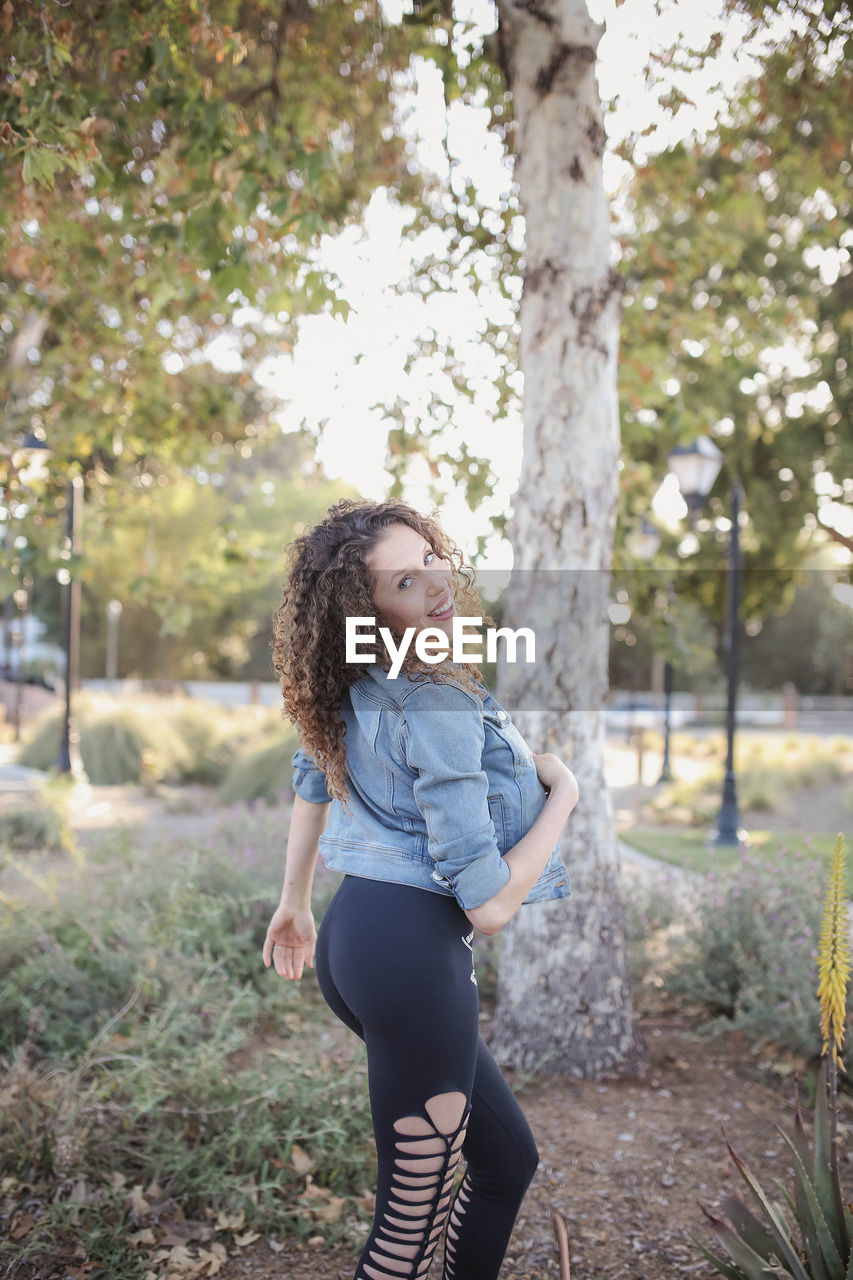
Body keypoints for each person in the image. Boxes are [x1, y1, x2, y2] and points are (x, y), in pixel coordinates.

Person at [263, 498, 579, 1280]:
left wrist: (295, 903)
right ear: (365, 609)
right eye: (405, 581)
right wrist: (564, 795)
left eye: (432, 562)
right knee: (405, 1239)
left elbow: (311, 781)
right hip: (409, 960)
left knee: (507, 1163)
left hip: (357, 941)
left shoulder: (355, 679)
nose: (437, 588)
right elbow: (489, 904)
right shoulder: (432, 698)